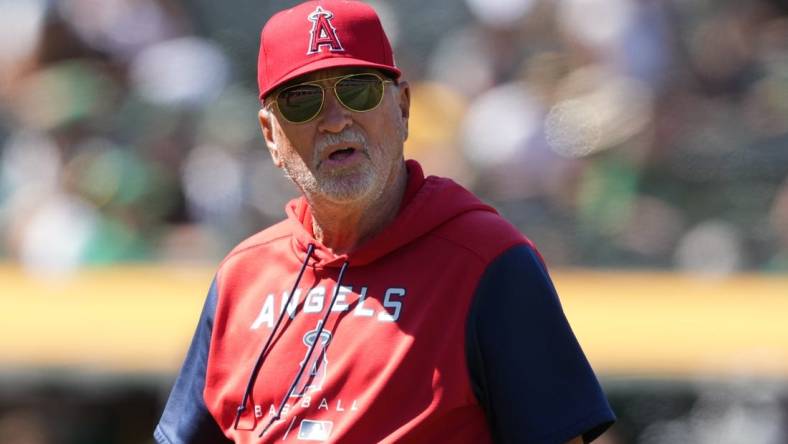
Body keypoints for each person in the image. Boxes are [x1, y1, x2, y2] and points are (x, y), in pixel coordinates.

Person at [154, 1, 615, 443]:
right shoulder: (242, 276)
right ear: (271, 135)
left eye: (357, 89)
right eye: (301, 101)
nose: (335, 121)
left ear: (403, 108)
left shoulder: (488, 262)